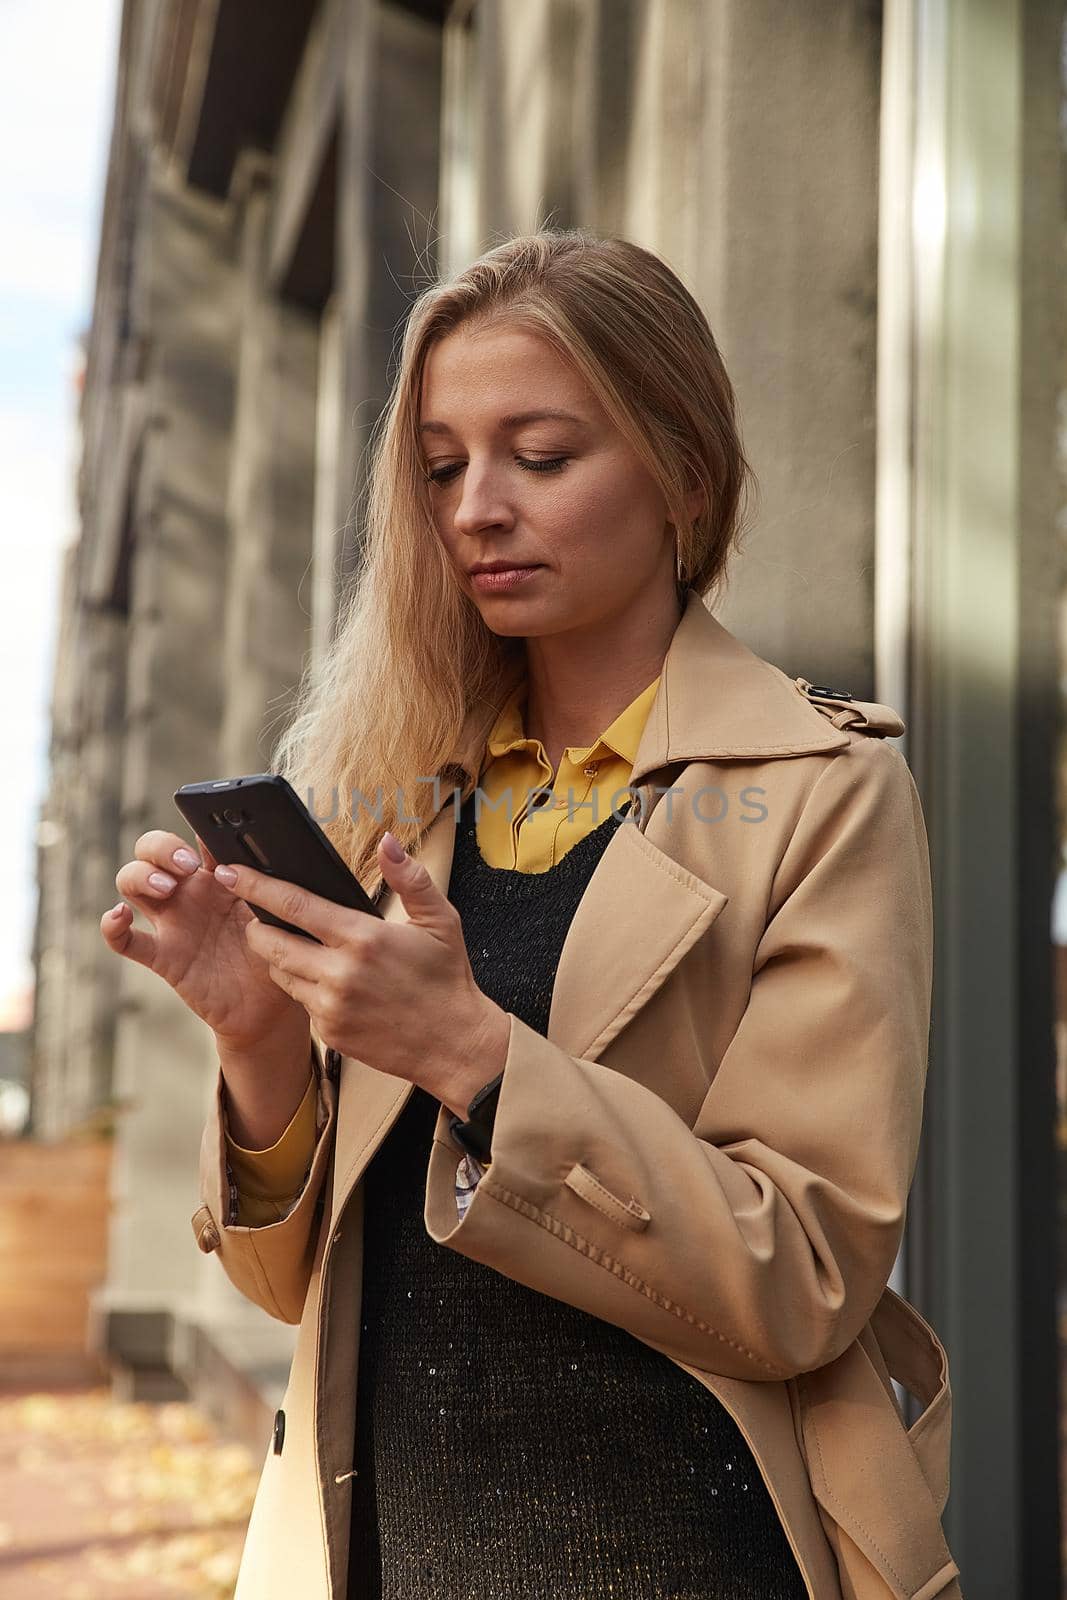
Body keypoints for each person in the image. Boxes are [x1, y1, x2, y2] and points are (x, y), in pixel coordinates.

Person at [102, 229, 962, 1600]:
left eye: (541, 458)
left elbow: (802, 1275)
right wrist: (257, 1036)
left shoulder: (823, 793)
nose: (476, 510)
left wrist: (479, 1058)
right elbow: (294, 1294)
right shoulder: (401, 793)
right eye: (444, 468)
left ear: (683, 472)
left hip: (686, 1551)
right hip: (383, 1552)